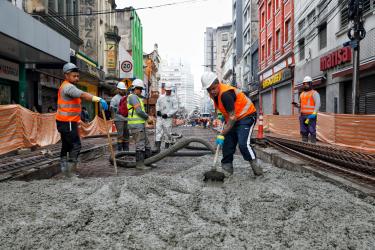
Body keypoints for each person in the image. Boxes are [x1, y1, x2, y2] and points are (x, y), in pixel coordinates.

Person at [201, 71, 263, 177]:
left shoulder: (226, 94)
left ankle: (257, 169)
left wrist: (222, 133)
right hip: (233, 118)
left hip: (246, 116)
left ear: (218, 83)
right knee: (227, 145)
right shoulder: (214, 95)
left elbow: (232, 117)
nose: (212, 92)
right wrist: (222, 126)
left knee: (243, 144)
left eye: (213, 88)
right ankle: (227, 171)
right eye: (209, 90)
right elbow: (227, 113)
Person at [56, 62, 108, 178]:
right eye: (74, 76)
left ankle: (65, 171)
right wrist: (98, 99)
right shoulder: (68, 87)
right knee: (76, 145)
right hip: (67, 122)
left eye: (78, 76)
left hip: (65, 121)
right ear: (66, 75)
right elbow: (83, 95)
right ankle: (71, 172)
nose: (77, 78)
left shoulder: (66, 86)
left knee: (66, 145)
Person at [127, 79, 154, 170]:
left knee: (146, 144)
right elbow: (138, 111)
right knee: (140, 145)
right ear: (135, 88)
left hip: (140, 125)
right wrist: (147, 117)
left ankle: (148, 162)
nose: (141, 91)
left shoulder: (137, 98)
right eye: (140, 89)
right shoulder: (133, 97)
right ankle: (139, 164)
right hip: (136, 125)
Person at [292, 76, 321, 143]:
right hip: (303, 116)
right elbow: (301, 105)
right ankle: (305, 144)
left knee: (312, 130)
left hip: (310, 116)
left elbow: (318, 104)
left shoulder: (314, 93)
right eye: (304, 84)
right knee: (303, 131)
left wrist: (314, 113)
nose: (306, 85)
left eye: (307, 84)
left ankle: (313, 145)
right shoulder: (302, 94)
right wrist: (296, 105)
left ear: (310, 84)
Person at [155, 82, 178, 153]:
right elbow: (157, 104)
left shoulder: (174, 99)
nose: (168, 91)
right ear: (165, 90)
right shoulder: (161, 97)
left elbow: (175, 109)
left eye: (169, 90)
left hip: (168, 119)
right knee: (158, 132)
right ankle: (157, 149)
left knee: (168, 133)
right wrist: (158, 110)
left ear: (171, 90)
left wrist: (168, 114)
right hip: (160, 118)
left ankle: (166, 149)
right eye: (167, 90)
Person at [110, 82, 130, 151]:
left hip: (126, 119)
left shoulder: (126, 97)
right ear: (118, 89)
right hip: (118, 119)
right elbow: (111, 108)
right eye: (121, 89)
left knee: (126, 135)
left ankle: (126, 151)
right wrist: (113, 118)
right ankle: (120, 151)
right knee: (120, 135)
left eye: (124, 89)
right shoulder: (114, 99)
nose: (123, 91)